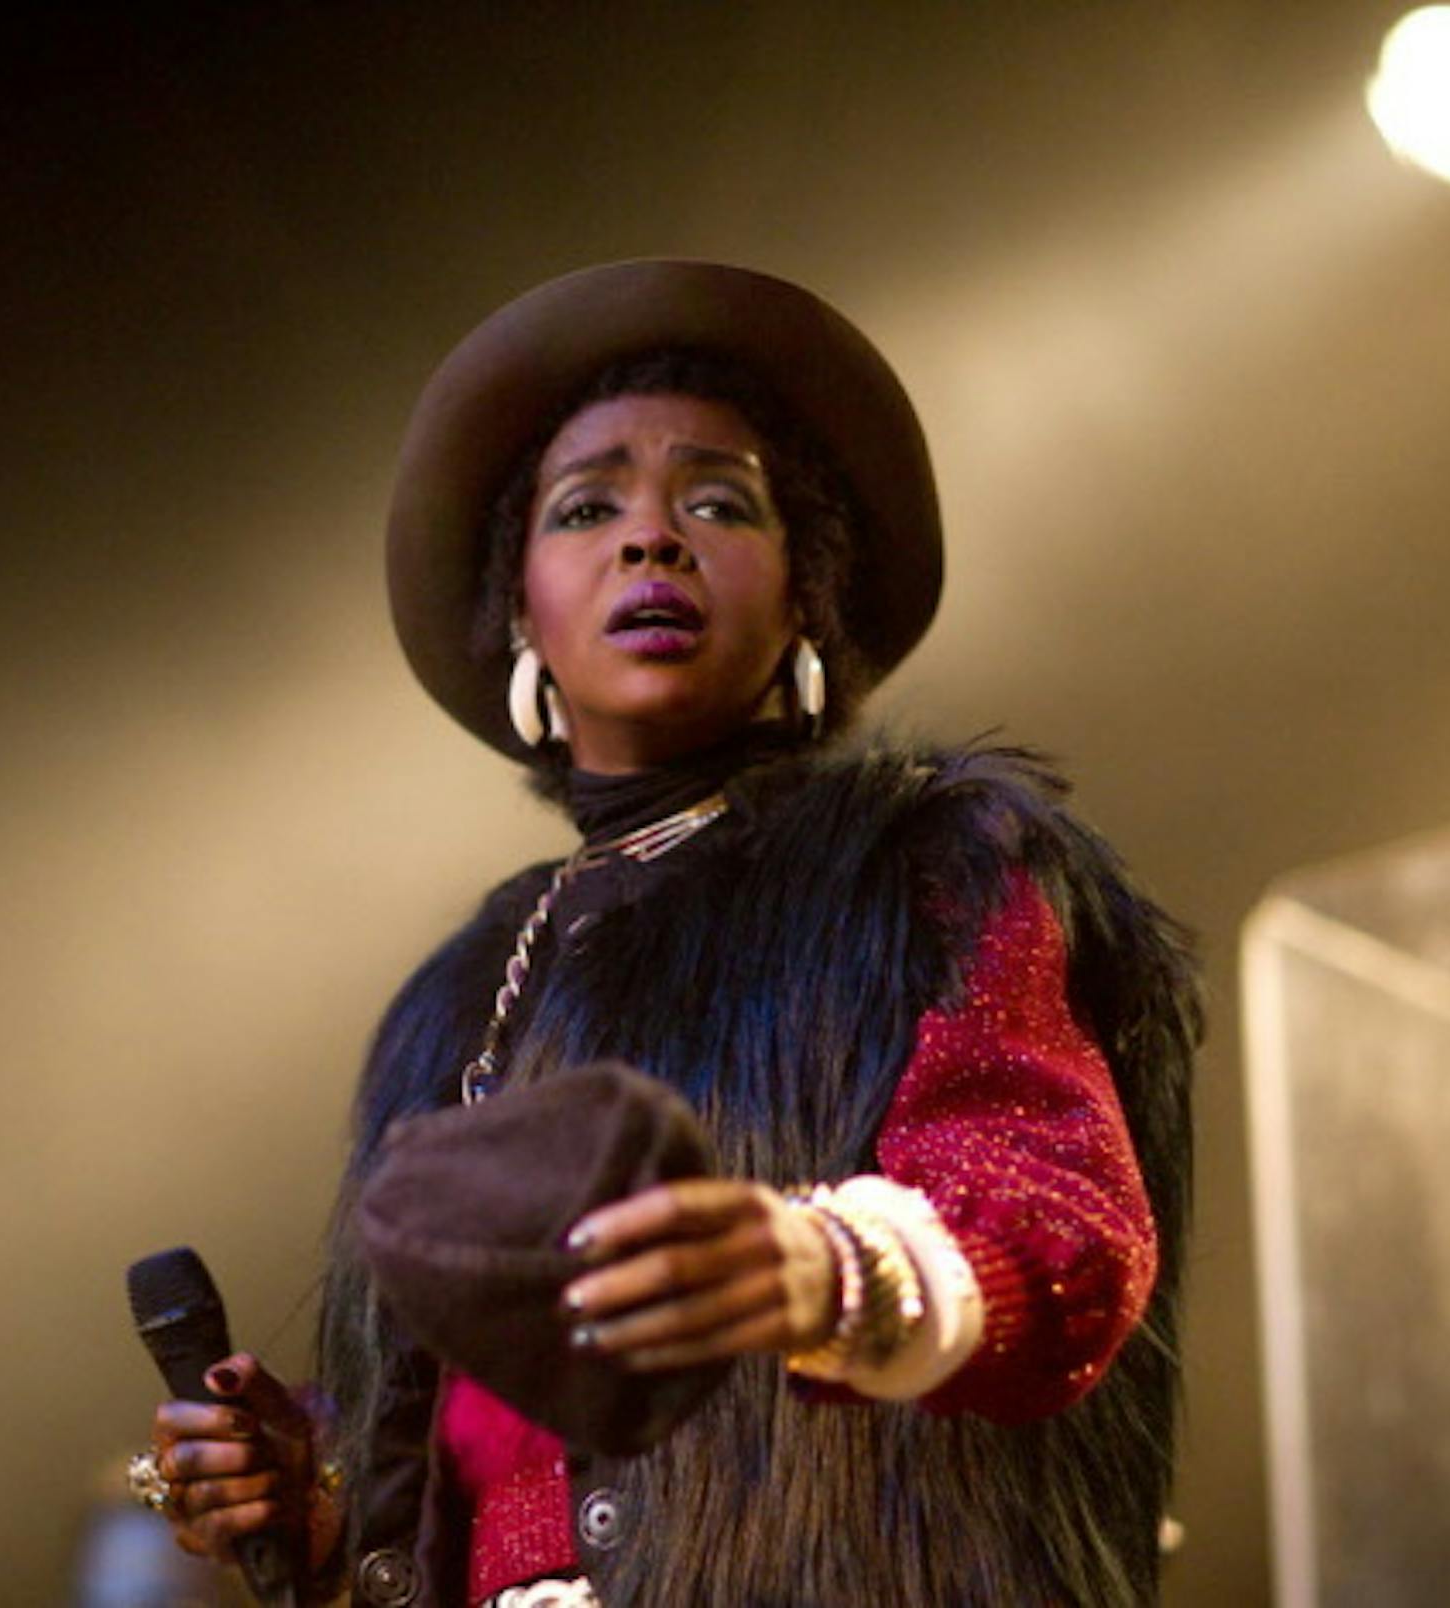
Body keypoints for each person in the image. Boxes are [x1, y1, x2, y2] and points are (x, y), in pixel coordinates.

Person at [135, 260, 1200, 1607]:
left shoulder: (927, 870)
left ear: (807, 596)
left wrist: (817, 1269)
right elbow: (493, 1455)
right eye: (588, 509)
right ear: (520, 610)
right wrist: (327, 1484)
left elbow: (1061, 1242)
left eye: (717, 502)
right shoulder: (458, 999)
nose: (652, 539)